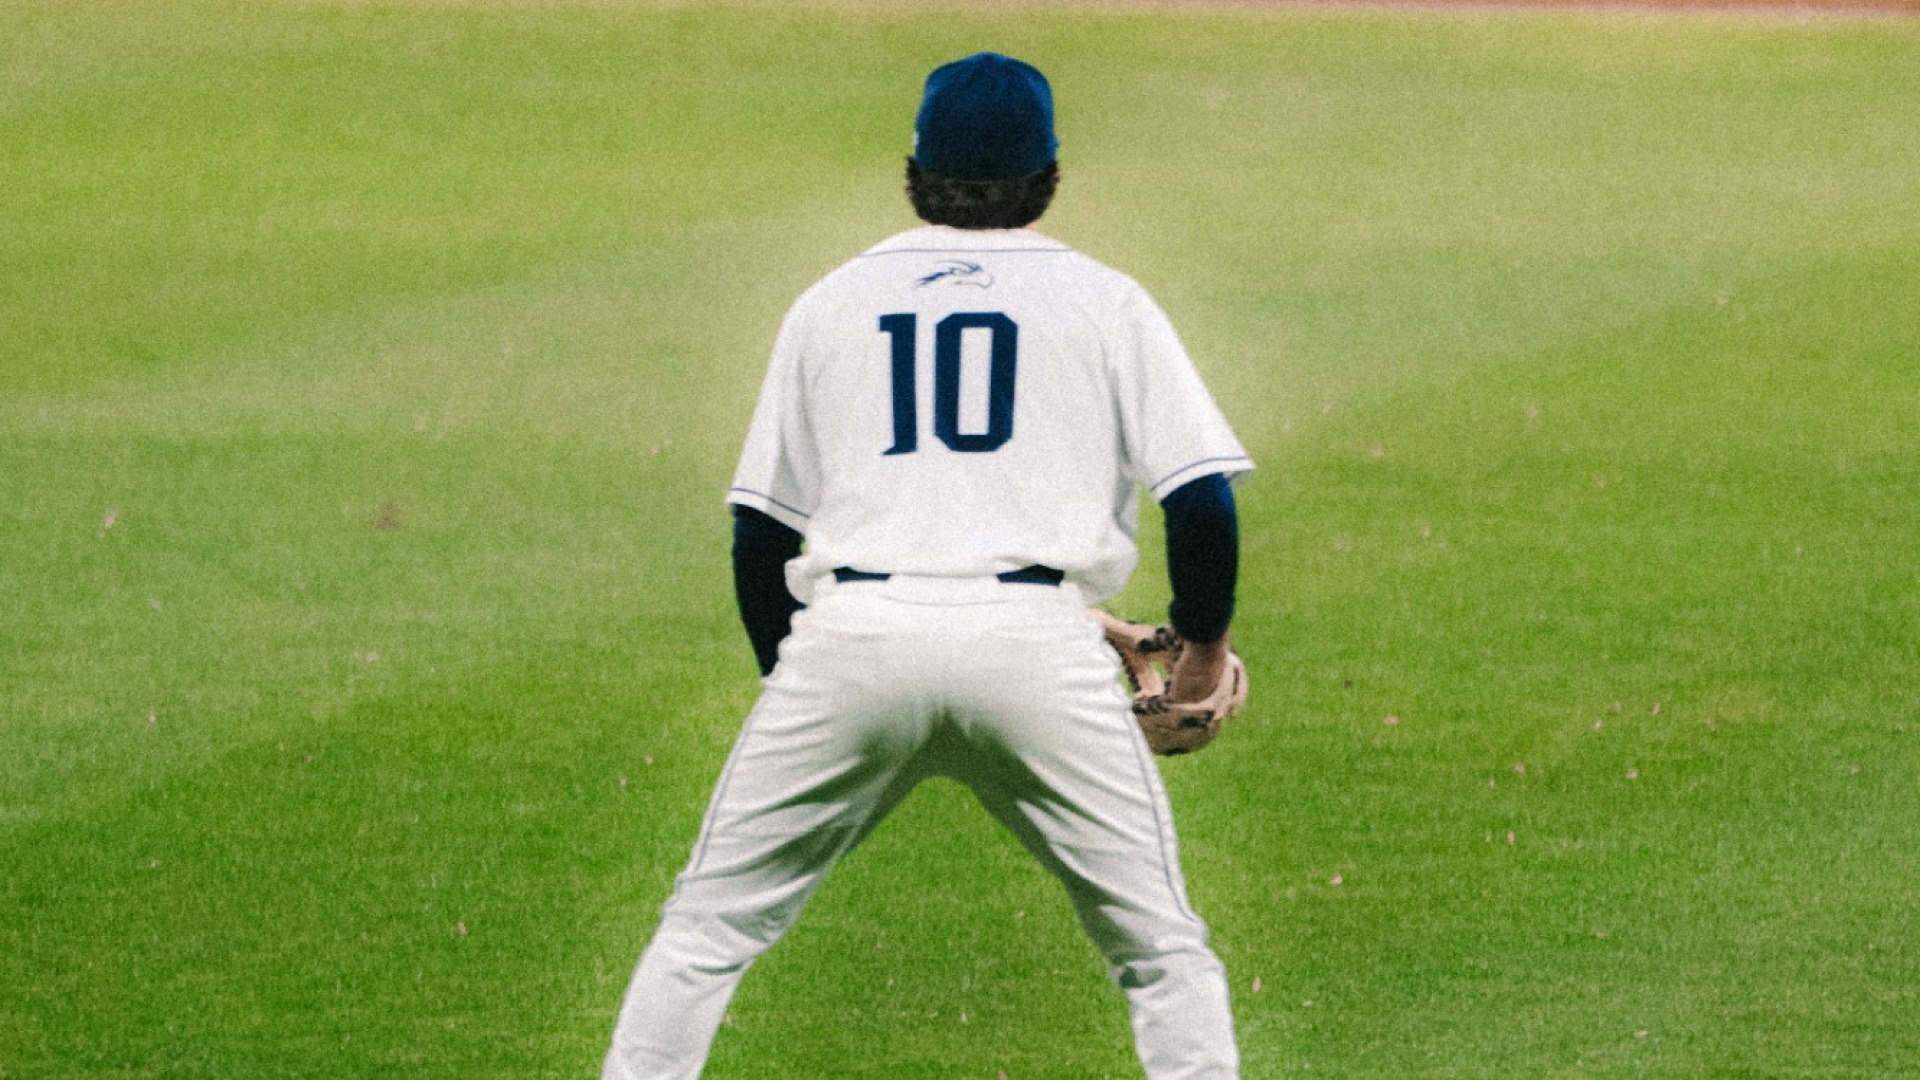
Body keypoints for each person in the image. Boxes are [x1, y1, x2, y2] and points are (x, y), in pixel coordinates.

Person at [603, 52, 1252, 1080]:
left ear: (915, 168)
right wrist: (1202, 654)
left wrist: (809, 692)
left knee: (701, 936)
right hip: (1038, 650)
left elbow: (760, 534)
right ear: (1049, 175)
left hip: (852, 642)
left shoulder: (830, 303)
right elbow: (1200, 500)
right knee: (1163, 956)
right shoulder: (1106, 301)